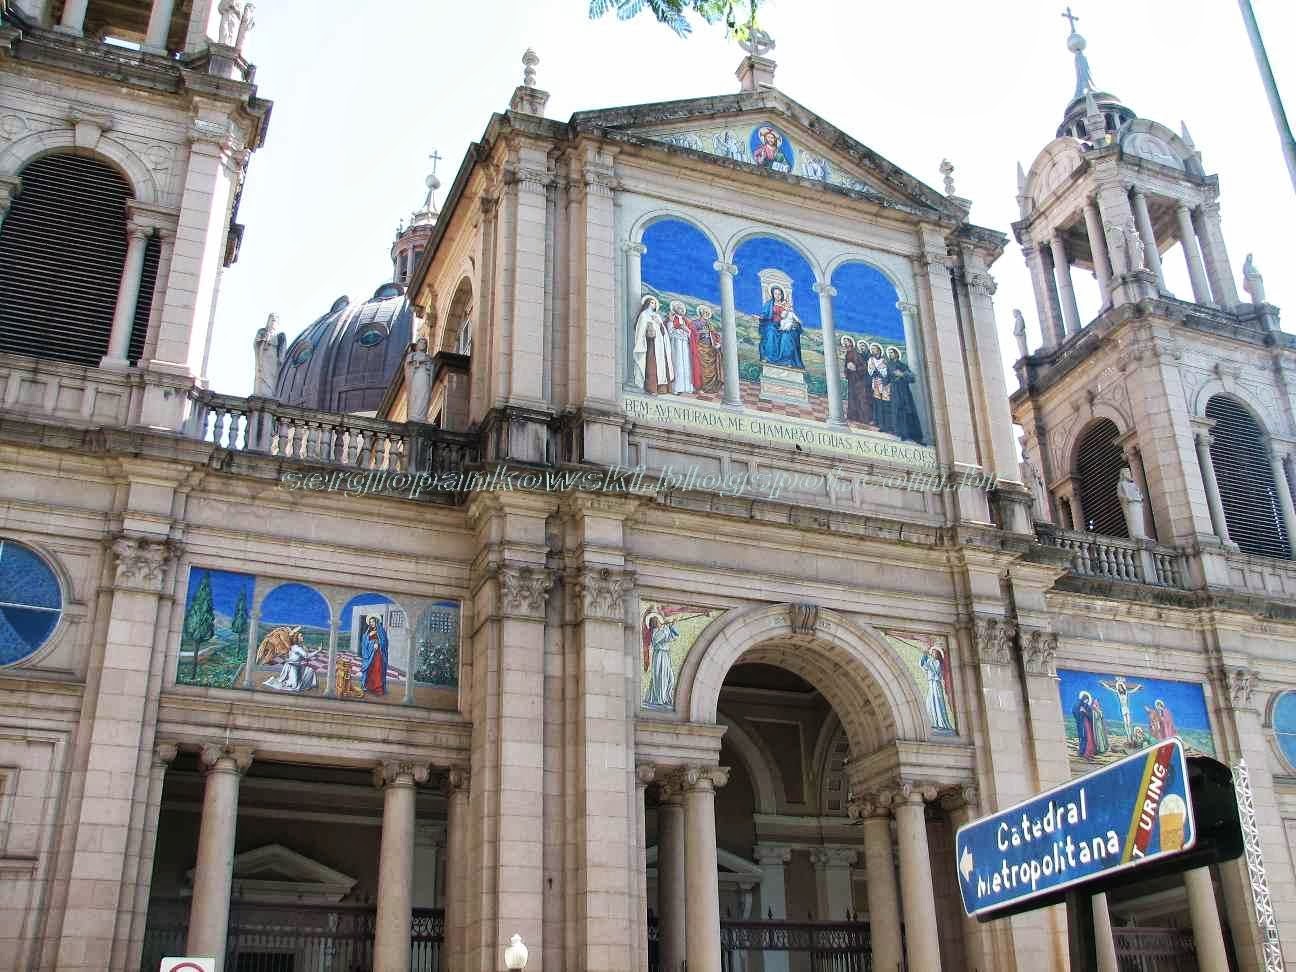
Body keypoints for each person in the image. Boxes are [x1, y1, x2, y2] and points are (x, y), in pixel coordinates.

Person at [632, 295, 672, 394]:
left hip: (660, 344)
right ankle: (651, 388)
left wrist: (659, 323)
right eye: (651, 302)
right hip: (651, 343)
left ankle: (661, 388)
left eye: (654, 303)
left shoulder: (657, 316)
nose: (653, 305)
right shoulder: (644, 315)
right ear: (647, 303)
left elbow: (663, 331)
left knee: (662, 365)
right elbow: (640, 329)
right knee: (652, 365)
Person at [642, 612, 680, 708]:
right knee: (661, 677)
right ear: (655, 623)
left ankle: (666, 697)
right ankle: (660, 699)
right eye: (658, 621)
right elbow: (658, 638)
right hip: (659, 656)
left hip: (665, 655)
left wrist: (672, 626)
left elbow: (674, 637)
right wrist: (667, 627)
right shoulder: (655, 632)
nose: (660, 622)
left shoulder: (662, 630)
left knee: (670, 678)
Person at [885, 347, 923, 443]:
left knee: (906, 411)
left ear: (896, 354)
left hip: (904, 391)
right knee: (896, 411)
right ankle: (900, 433)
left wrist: (902, 374)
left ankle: (910, 434)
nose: (890, 354)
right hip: (894, 391)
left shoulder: (903, 365)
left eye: (892, 352)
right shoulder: (889, 365)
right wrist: (884, 384)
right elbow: (887, 378)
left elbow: (912, 378)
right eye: (889, 353)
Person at [666, 300, 700, 394]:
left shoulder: (686, 320)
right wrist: (672, 323)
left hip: (685, 345)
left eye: (682, 308)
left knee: (686, 365)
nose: (680, 309)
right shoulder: (671, 318)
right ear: (674, 309)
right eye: (678, 308)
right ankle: (676, 388)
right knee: (677, 364)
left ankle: (687, 388)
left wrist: (687, 330)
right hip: (676, 344)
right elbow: (669, 332)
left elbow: (692, 332)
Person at [919, 645, 954, 732]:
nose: (933, 654)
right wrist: (924, 655)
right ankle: (933, 722)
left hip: (936, 684)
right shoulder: (930, 661)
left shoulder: (938, 663)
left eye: (935, 653)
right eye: (933, 653)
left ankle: (941, 723)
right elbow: (923, 665)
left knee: (938, 701)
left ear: (938, 655)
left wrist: (928, 660)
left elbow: (935, 671)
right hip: (931, 683)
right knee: (930, 701)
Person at [1099, 675, 1143, 742]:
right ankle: (1128, 737)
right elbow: (1109, 688)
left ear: (1123, 687)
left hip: (1127, 709)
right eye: (1119, 687)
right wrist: (1103, 684)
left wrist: (1138, 687)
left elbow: (1133, 691)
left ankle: (1131, 736)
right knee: (1125, 724)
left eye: (1121, 687)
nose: (1120, 688)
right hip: (1123, 709)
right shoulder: (1118, 693)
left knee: (1129, 723)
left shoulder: (1126, 693)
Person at [842, 336, 872, 425]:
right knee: (852, 397)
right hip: (852, 379)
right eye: (844, 342)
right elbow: (846, 366)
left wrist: (856, 369)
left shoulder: (855, 354)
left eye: (847, 341)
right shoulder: (848, 353)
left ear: (851, 343)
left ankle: (864, 418)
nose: (845, 343)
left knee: (861, 398)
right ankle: (853, 416)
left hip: (859, 379)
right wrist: (847, 370)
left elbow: (864, 367)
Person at [693, 306, 723, 394]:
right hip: (701, 348)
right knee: (703, 368)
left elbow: (715, 334)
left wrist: (717, 342)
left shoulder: (709, 324)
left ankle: (711, 386)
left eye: (708, 313)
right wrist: (701, 332)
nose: (706, 314)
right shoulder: (695, 323)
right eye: (705, 312)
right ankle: (702, 387)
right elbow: (692, 333)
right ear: (701, 313)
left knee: (711, 368)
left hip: (710, 348)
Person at [359, 616, 389, 696]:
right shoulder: (368, 631)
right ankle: (369, 687)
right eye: (370, 622)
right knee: (370, 669)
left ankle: (378, 688)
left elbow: (384, 642)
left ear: (376, 622)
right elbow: (364, 642)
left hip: (378, 654)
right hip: (370, 654)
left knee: (377, 669)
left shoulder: (381, 631)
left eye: (373, 621)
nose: (371, 623)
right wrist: (370, 638)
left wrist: (378, 643)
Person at [867, 343, 892, 433]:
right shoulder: (871, 360)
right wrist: (875, 371)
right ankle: (877, 421)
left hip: (884, 385)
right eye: (872, 349)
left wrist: (877, 371)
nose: (872, 351)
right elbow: (870, 372)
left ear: (879, 350)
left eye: (874, 349)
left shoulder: (884, 361)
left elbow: (885, 374)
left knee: (884, 404)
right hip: (875, 384)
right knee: (877, 403)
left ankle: (885, 424)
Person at [1073, 691, 1096, 759]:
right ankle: (1081, 752)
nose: (1086, 701)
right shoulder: (1079, 705)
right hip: (1081, 724)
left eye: (1087, 700)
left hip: (1086, 725)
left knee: (1085, 738)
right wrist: (1081, 713)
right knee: (1083, 738)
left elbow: (1090, 716)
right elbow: (1075, 712)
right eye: (1086, 700)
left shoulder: (1087, 707)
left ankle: (1083, 752)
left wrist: (1084, 712)